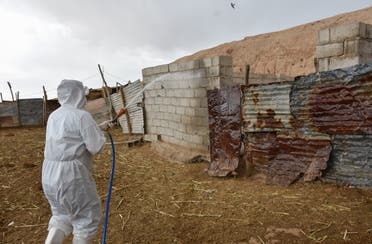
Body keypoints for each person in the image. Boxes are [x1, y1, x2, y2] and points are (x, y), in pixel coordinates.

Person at [42, 79, 114, 244]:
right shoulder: (82, 116)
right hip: (71, 177)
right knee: (85, 219)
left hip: (49, 174)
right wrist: (100, 135)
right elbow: (96, 147)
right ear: (78, 94)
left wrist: (98, 127)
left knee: (61, 216)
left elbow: (70, 137)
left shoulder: (54, 116)